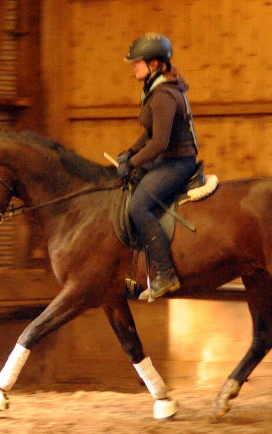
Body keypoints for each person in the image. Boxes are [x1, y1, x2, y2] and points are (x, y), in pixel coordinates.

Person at [116, 33, 199, 300]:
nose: (133, 66)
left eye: (137, 62)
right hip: (166, 159)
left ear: (154, 64)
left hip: (177, 162)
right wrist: (130, 151)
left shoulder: (164, 94)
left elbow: (160, 143)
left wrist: (133, 163)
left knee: (138, 205)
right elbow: (149, 133)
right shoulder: (155, 89)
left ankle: (165, 274)